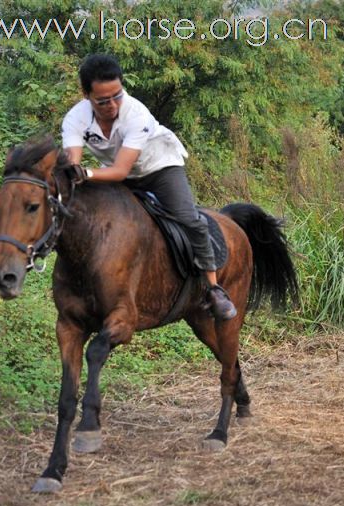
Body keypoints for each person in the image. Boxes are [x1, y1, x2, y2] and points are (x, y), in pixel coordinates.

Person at [61, 54, 237, 321]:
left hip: (159, 168)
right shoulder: (75, 118)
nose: (112, 105)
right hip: (121, 174)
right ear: (86, 95)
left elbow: (119, 170)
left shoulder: (136, 114)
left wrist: (85, 172)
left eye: (117, 96)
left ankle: (214, 289)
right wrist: (73, 169)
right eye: (102, 101)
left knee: (188, 219)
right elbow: (72, 158)